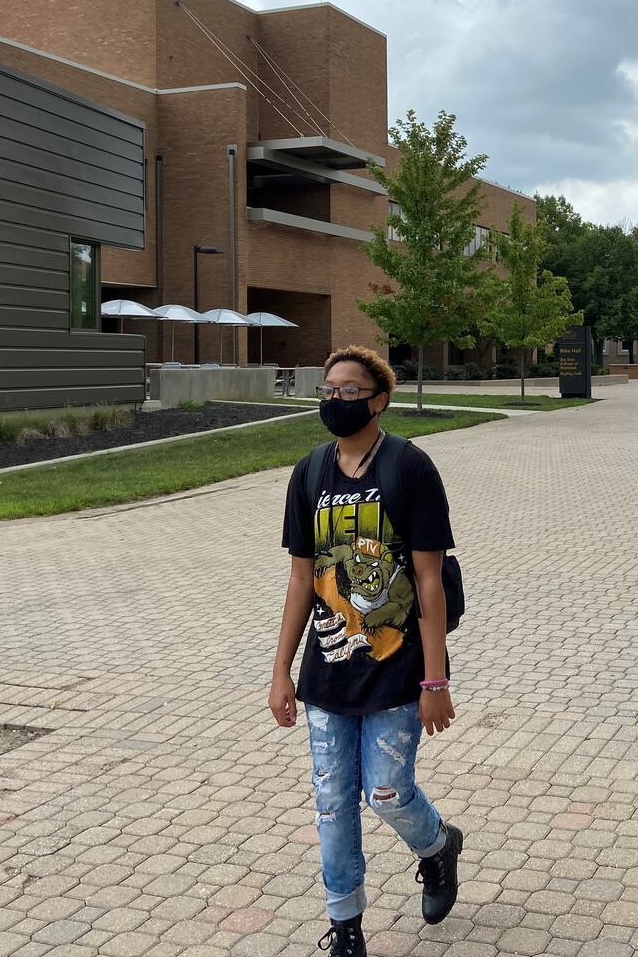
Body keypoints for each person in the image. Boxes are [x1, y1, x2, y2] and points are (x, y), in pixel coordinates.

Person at [271, 345, 464, 956]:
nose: (336, 400)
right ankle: (346, 925)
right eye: (328, 389)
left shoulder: (410, 468)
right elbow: (302, 579)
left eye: (350, 391)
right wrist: (280, 672)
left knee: (386, 792)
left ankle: (436, 846)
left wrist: (436, 679)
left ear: (379, 400)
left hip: (398, 665)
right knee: (332, 802)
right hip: (328, 671)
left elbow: (430, 580)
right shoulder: (309, 473)